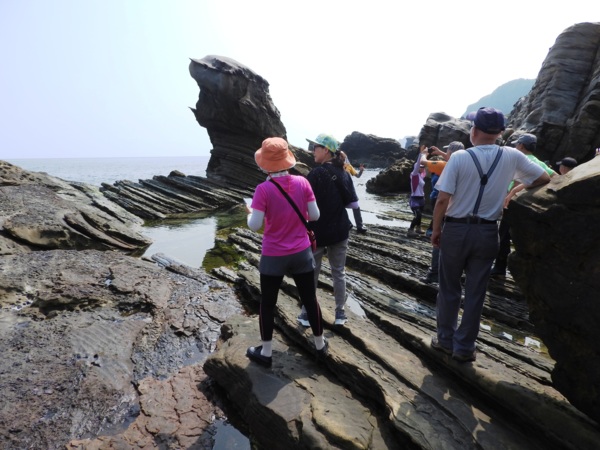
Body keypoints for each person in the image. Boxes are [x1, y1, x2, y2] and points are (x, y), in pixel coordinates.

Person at [430, 107, 551, 362]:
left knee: (449, 288)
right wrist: (514, 191)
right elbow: (543, 178)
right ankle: (464, 348)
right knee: (476, 292)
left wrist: (437, 229)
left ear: (474, 131)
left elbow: (442, 200)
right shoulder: (512, 155)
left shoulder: (459, 157)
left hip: (456, 229)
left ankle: (445, 340)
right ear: (501, 133)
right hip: (487, 231)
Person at [245, 137, 328, 368]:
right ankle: (320, 346)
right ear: (287, 159)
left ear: (265, 164)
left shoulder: (263, 189)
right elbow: (315, 215)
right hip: (301, 252)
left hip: (274, 255)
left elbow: (255, 225)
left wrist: (249, 212)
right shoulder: (303, 182)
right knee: (310, 299)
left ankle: (266, 352)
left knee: (267, 303)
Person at [297, 133, 357, 327]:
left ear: (326, 150)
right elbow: (353, 204)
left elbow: (303, 204)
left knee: (311, 273)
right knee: (338, 272)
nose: (312, 151)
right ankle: (340, 313)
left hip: (318, 232)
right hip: (340, 230)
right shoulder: (344, 172)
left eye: (315, 147)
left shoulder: (315, 174)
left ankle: (307, 314)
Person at [490, 133, 556, 279]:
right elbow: (555, 177)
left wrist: (515, 191)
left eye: (516, 145)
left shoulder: (520, 160)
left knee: (503, 236)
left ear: (521, 145)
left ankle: (500, 268)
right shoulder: (539, 162)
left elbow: (517, 182)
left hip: (513, 203)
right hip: (532, 206)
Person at [421, 141, 464, 284]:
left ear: (451, 152)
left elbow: (423, 162)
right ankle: (452, 275)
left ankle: (434, 273)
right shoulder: (464, 166)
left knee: (438, 240)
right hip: (459, 208)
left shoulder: (443, 165)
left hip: (444, 206)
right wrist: (440, 152)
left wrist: (424, 154)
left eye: (447, 151)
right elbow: (454, 157)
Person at [339, 150, 367, 234]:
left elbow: (357, 176)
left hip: (348, 190)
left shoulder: (349, 166)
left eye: (344, 156)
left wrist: (361, 171)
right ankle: (348, 223)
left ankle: (360, 226)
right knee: (339, 207)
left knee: (356, 206)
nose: (343, 158)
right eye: (341, 156)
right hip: (338, 190)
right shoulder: (335, 166)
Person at [407, 146, 428, 237]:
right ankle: (410, 230)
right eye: (421, 166)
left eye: (423, 167)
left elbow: (425, 163)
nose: (422, 168)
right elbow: (418, 163)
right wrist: (421, 154)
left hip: (421, 198)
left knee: (420, 215)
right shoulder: (414, 175)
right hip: (414, 199)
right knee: (417, 215)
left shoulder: (422, 175)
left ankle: (418, 228)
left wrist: (426, 155)